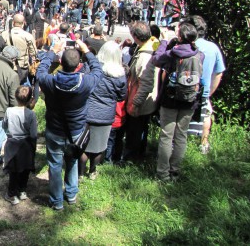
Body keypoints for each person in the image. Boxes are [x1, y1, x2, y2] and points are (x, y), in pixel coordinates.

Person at [36, 38, 103, 210]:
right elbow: (98, 70)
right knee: (72, 161)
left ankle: (57, 201)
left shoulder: (50, 82)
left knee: (55, 165)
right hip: (76, 131)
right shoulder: (85, 82)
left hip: (55, 130)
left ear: (60, 61)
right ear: (79, 64)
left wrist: (52, 50)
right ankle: (71, 194)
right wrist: (86, 50)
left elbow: (40, 70)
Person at [152, 23, 204, 181]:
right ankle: (175, 171)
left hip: (171, 98)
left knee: (167, 136)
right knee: (181, 136)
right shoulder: (198, 54)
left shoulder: (173, 53)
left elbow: (156, 59)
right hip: (190, 99)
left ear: (180, 37)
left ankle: (162, 173)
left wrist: (164, 42)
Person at [79, 41, 127, 180]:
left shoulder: (90, 68)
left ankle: (80, 173)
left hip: (87, 111)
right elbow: (122, 96)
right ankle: (92, 172)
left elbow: (81, 83)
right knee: (99, 146)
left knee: (84, 145)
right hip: (106, 114)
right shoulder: (120, 74)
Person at [184, 16, 225, 154]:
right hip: (203, 90)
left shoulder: (186, 46)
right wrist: (209, 91)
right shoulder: (213, 48)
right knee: (206, 116)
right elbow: (219, 72)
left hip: (184, 89)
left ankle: (178, 145)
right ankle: (204, 144)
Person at [123, 21, 160, 162]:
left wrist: (135, 103)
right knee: (140, 130)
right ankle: (138, 155)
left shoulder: (145, 56)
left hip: (140, 102)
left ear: (136, 36)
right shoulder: (151, 44)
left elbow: (146, 84)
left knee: (135, 132)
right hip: (143, 100)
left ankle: (132, 159)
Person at [3, 86, 38, 205]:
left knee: (13, 171)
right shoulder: (31, 114)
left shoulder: (9, 111)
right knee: (26, 168)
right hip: (26, 144)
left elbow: (4, 125)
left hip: (12, 144)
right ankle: (22, 190)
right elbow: (33, 134)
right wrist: (33, 145)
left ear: (15, 97)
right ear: (29, 99)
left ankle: (11, 194)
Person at [1, 14, 37, 84]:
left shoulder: (4, 34)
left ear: (13, 22)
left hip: (8, 64)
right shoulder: (28, 36)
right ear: (23, 23)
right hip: (22, 66)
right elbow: (34, 53)